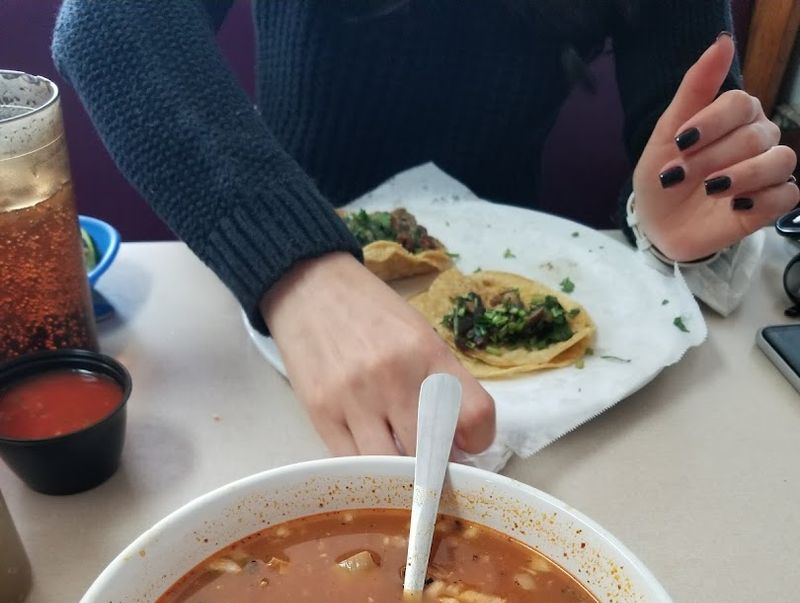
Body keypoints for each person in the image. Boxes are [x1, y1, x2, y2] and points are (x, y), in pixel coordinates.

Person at [52, 0, 798, 457]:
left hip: (555, 380)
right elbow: (106, 21)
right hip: (276, 316)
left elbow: (690, 143)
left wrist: (669, 222)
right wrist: (299, 269)